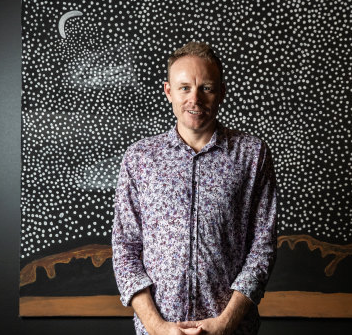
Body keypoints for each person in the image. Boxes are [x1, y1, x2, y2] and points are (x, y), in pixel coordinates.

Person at [112, 41, 277, 335]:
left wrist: (225, 323)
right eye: (184, 87)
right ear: (168, 92)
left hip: (232, 330)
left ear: (221, 92)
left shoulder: (252, 155)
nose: (195, 99)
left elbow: (262, 247)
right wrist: (157, 327)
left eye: (206, 88)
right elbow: (125, 249)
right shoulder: (139, 158)